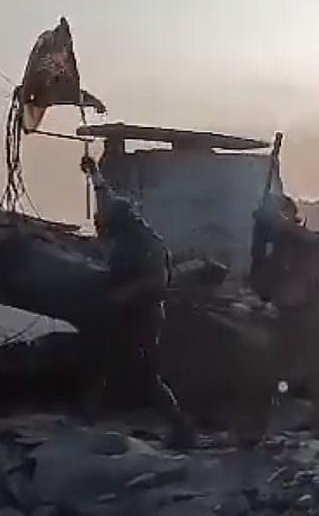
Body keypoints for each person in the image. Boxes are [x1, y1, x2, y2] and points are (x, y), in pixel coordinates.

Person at [79, 156, 195, 449]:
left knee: (146, 376)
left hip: (144, 316)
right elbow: (106, 196)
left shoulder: (147, 244)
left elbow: (156, 282)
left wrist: (121, 296)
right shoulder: (122, 236)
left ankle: (181, 428)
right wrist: (95, 173)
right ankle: (86, 421)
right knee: (102, 363)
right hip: (121, 314)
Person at [250, 195, 319, 441]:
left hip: (314, 315)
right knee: (271, 376)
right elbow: (262, 289)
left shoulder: (311, 242)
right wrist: (258, 249)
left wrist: (278, 224)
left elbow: (314, 243)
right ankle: (256, 429)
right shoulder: (276, 252)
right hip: (286, 318)